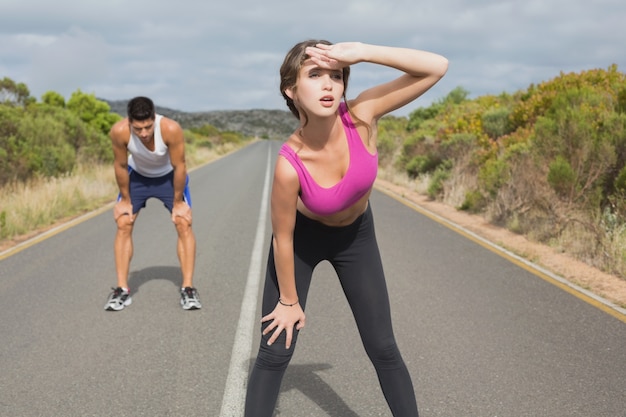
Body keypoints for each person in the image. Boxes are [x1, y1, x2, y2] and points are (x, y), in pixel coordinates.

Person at [244, 40, 448, 416]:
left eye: (336, 76)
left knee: (383, 347)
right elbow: (283, 238)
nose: (328, 85)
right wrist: (289, 302)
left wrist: (363, 51)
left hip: (356, 237)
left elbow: (437, 66)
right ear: (291, 89)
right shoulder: (289, 163)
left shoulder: (363, 115)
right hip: (302, 240)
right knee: (276, 350)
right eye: (315, 75)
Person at [104, 96, 202, 311]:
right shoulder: (119, 131)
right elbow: (120, 166)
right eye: (138, 129)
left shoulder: (170, 129)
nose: (144, 133)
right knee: (123, 222)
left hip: (168, 177)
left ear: (154, 119)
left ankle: (188, 288)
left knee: (183, 222)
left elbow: (180, 167)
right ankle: (122, 290)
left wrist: (178, 202)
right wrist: (125, 200)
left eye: (148, 127)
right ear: (130, 122)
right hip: (137, 177)